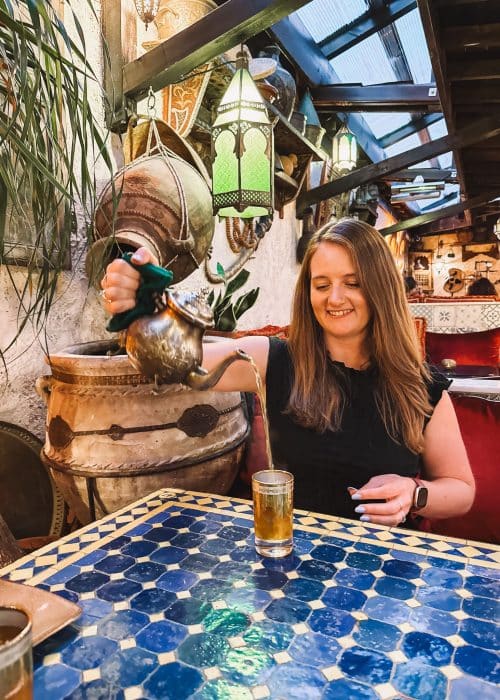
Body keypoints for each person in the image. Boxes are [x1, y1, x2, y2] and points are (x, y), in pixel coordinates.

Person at [101, 218, 474, 528]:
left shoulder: (421, 386)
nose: (335, 298)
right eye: (322, 285)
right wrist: (143, 306)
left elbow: (461, 490)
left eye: (353, 283)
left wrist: (414, 493)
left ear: (381, 288)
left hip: (383, 571)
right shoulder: (275, 359)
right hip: (292, 559)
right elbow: (175, 361)